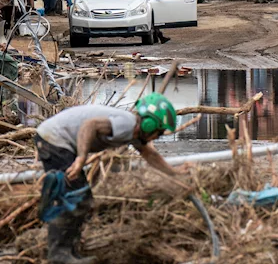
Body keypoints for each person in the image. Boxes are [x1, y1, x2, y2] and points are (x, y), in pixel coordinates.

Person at [36, 94, 185, 264]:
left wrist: (175, 173)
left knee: (81, 198)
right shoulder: (128, 124)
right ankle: (59, 255)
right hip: (54, 140)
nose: (157, 138)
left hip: (54, 140)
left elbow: (150, 154)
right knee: (75, 197)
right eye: (158, 132)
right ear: (148, 124)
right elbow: (89, 126)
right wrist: (81, 158)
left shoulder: (133, 131)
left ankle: (69, 252)